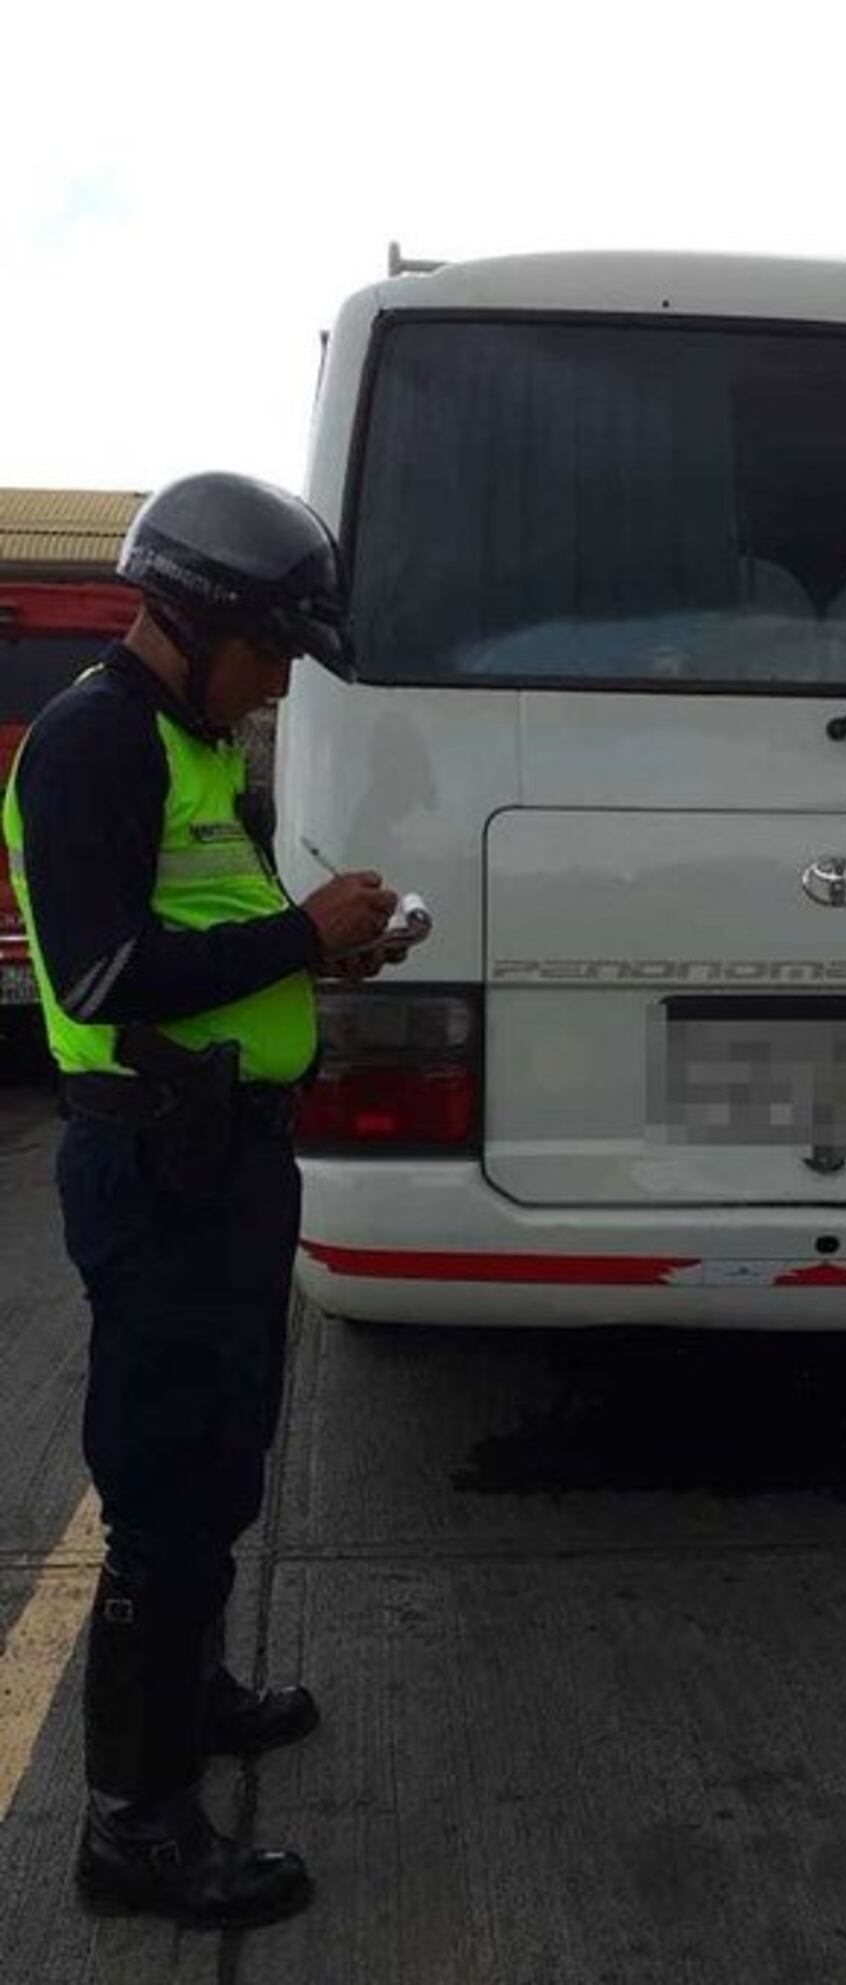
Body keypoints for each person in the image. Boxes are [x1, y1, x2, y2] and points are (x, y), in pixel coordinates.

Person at [1, 472, 400, 1928]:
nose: (282, 679)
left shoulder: (185, 744)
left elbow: (202, 939)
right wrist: (301, 933)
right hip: (157, 1162)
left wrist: (312, 959)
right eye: (276, 648)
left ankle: (197, 1687)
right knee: (165, 1493)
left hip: (222, 1156)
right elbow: (105, 975)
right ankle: (134, 1826)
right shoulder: (92, 743)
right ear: (202, 618)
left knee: (222, 1456)